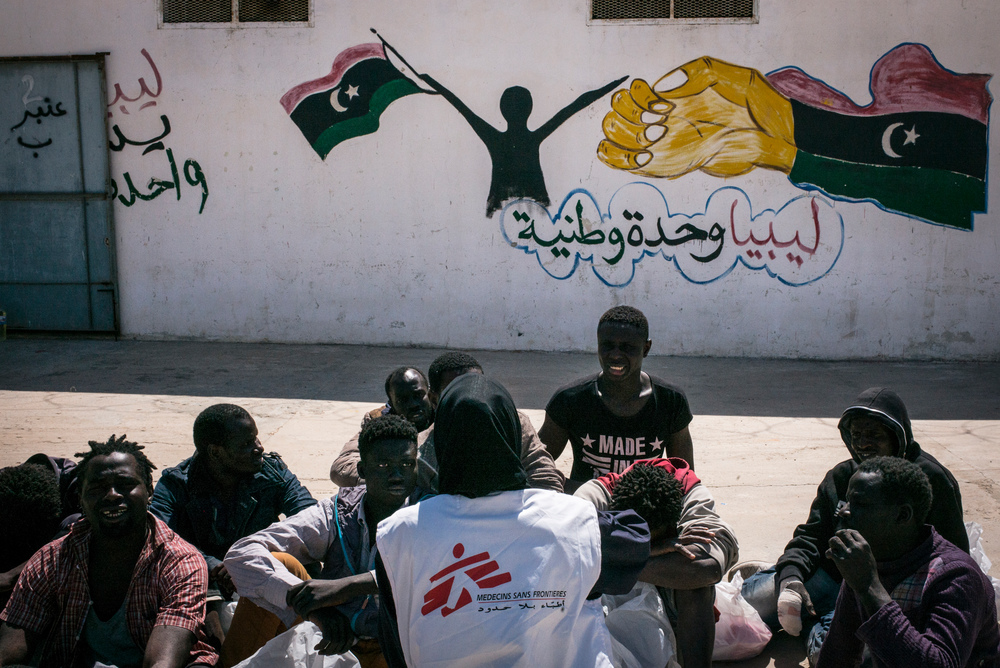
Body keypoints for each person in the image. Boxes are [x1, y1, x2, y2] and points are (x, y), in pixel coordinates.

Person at [374, 374, 650, 667]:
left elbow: (394, 642)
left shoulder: (399, 533)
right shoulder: (571, 521)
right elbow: (635, 542)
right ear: (511, 436)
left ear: (441, 441)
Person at [739, 387, 968, 664]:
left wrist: (876, 590)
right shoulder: (843, 475)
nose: (862, 444)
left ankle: (815, 623)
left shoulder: (926, 481)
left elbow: (951, 555)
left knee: (848, 654)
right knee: (739, 612)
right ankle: (786, 590)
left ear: (898, 437)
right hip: (830, 578)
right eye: (856, 434)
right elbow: (811, 537)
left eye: (874, 435)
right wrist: (791, 578)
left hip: (881, 591)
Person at [0, 435, 217, 668]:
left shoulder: (180, 562)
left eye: (125, 485)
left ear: (149, 491)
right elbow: (9, 654)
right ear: (80, 500)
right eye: (97, 488)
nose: (112, 495)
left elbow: (162, 663)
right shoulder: (52, 559)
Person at [222, 414, 419, 668]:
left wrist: (345, 588)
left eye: (406, 464)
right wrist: (315, 610)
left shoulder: (428, 512)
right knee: (280, 563)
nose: (396, 475)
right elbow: (241, 554)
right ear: (361, 470)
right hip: (332, 637)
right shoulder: (337, 511)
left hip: (397, 646)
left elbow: (431, 570)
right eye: (383, 465)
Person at [150, 403, 316, 642]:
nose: (259, 448)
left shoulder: (273, 474)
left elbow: (309, 517)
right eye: (246, 444)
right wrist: (215, 566)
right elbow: (160, 537)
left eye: (256, 439)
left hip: (265, 569)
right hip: (206, 584)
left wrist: (249, 560)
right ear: (215, 452)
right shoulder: (176, 484)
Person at [816, 456, 999, 667]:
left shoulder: (955, 576)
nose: (844, 511)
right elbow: (839, 652)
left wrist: (869, 586)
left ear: (903, 515)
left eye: (860, 504)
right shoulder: (867, 561)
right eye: (848, 500)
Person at [577, 458, 739, 668]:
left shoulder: (691, 496)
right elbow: (566, 552)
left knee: (696, 588)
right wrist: (650, 551)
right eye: (639, 538)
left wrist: (619, 560)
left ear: (674, 524)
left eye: (655, 539)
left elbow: (706, 569)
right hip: (613, 599)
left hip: (666, 597)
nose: (648, 544)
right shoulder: (597, 496)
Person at [330, 352, 563, 493]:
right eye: (456, 391)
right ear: (435, 398)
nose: (470, 396)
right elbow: (343, 468)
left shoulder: (512, 423)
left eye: (475, 386)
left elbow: (547, 482)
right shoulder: (398, 430)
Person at [415, 68, 626, 217]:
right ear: (530, 109)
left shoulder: (494, 139)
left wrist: (432, 82)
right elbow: (577, 104)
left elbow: (459, 104)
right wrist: (611, 86)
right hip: (537, 204)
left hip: (498, 205)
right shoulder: (532, 138)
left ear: (502, 110)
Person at [539, 305, 695, 492]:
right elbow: (534, 466)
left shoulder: (670, 401)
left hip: (646, 513)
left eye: (627, 347)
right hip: (588, 510)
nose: (615, 354)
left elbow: (685, 478)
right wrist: (579, 491)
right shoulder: (569, 400)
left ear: (646, 348)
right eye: (607, 345)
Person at [330, 366, 434, 488]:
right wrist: (386, 481)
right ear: (391, 404)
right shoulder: (379, 422)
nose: (413, 405)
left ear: (430, 395)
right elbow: (341, 468)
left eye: (418, 395)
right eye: (403, 400)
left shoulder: (447, 416)